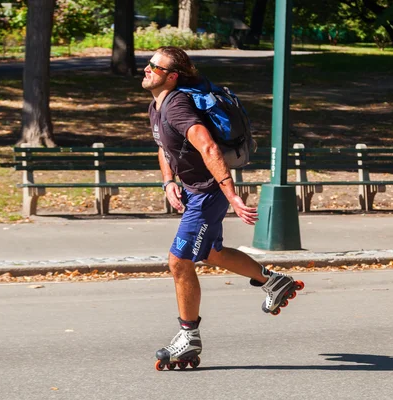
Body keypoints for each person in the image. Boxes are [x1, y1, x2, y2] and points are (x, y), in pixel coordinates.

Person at [142, 46, 304, 370]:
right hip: (192, 191)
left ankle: (188, 337)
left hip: (208, 193)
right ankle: (273, 281)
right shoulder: (156, 106)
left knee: (179, 261)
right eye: (148, 64)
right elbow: (163, 146)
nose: (146, 69)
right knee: (211, 253)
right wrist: (169, 181)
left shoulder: (177, 106)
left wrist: (231, 195)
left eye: (153, 66)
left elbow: (208, 146)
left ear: (171, 77)